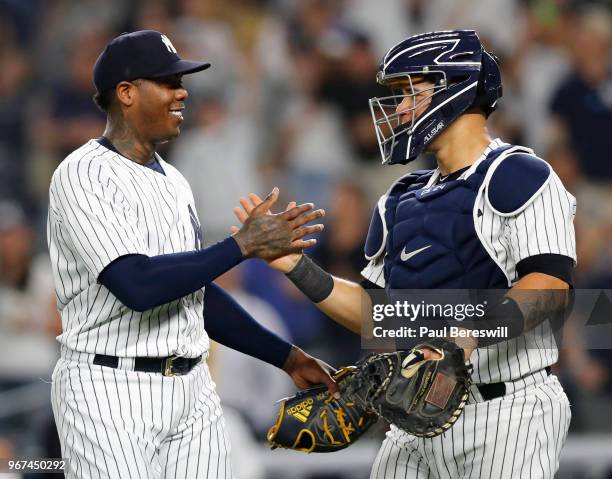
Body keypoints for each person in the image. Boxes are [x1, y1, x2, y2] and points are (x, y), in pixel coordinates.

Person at [235, 30, 576, 478]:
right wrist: (296, 267)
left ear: (454, 90)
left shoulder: (520, 175)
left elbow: (550, 287)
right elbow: (379, 316)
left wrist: (468, 333)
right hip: (414, 412)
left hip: (506, 408)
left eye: (410, 93)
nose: (398, 109)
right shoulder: (400, 199)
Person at [47, 30, 338, 479]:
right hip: (109, 389)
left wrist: (288, 358)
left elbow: (194, 295)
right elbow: (137, 285)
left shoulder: (174, 181)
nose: (182, 91)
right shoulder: (83, 174)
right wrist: (242, 245)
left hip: (193, 389)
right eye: (167, 81)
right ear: (125, 93)